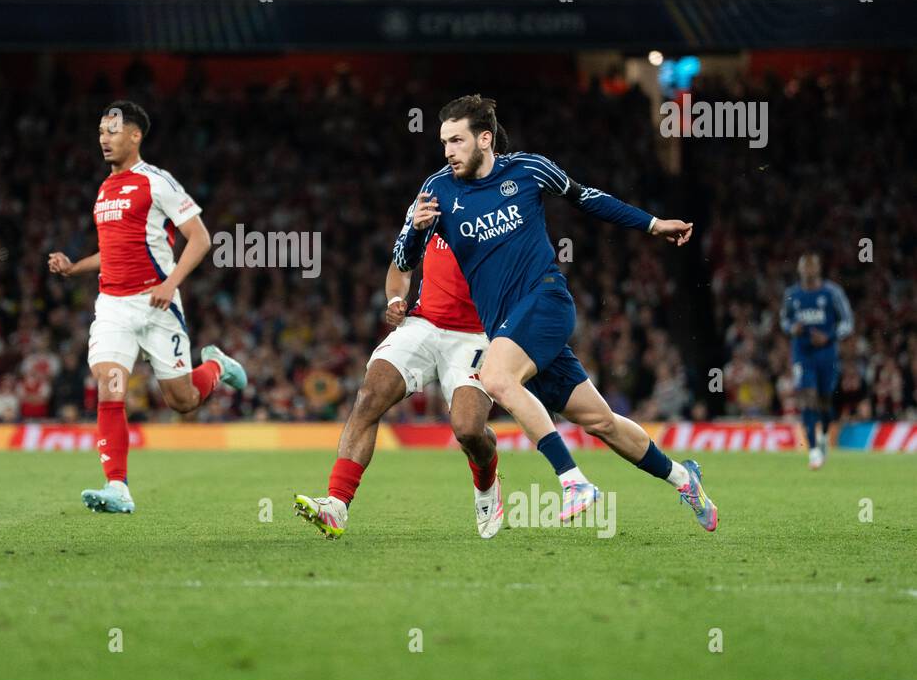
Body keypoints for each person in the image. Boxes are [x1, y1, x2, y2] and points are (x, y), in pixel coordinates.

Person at [395, 95, 718, 532]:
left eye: (457, 140)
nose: (448, 151)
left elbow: (588, 198)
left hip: (545, 300)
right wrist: (415, 231)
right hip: (509, 328)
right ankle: (684, 477)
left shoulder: (528, 170)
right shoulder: (437, 190)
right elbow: (404, 258)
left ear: (485, 139)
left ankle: (573, 481)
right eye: (443, 142)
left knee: (496, 378)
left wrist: (653, 224)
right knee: (600, 420)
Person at [48, 100, 246, 514]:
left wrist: (170, 283)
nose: (104, 137)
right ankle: (117, 486)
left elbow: (201, 238)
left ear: (135, 135)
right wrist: (74, 267)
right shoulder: (104, 190)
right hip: (114, 307)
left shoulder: (157, 182)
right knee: (109, 382)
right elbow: (113, 252)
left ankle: (216, 367)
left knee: (183, 401)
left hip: (158, 305)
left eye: (112, 130)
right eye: (101, 130)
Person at [293, 235, 502, 540]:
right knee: (369, 396)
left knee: (469, 431)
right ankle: (336, 505)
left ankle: (487, 480)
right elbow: (400, 265)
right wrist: (394, 299)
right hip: (423, 325)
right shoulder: (429, 205)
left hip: (476, 335)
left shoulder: (505, 208)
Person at [780, 252, 853, 469]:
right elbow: (784, 319)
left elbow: (848, 321)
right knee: (807, 397)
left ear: (818, 269)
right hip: (803, 354)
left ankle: (822, 437)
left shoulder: (832, 292)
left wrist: (829, 336)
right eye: (805, 267)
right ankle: (812, 450)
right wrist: (793, 328)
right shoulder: (792, 294)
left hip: (827, 354)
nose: (809, 271)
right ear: (800, 270)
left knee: (824, 400)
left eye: (812, 267)